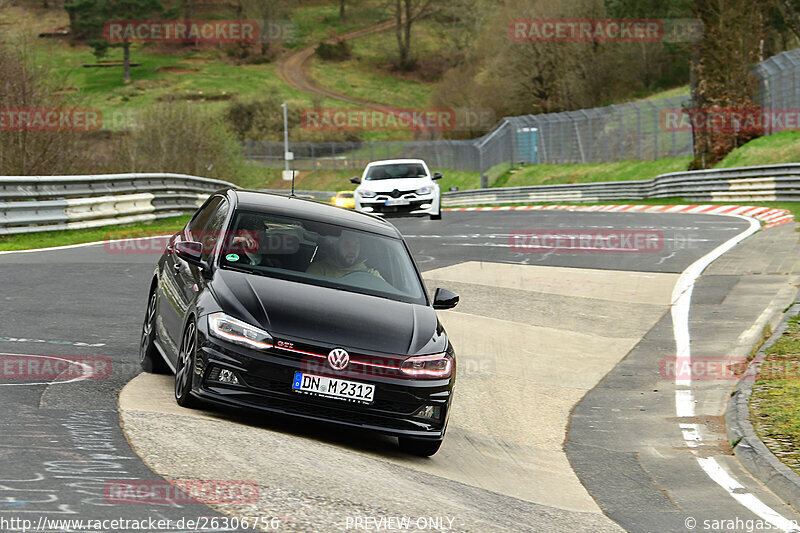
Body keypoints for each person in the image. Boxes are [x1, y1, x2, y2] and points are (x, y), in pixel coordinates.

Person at [306, 230, 383, 279]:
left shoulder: (371, 274)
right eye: (347, 243)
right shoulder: (319, 270)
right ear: (336, 246)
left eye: (356, 244)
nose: (352, 249)